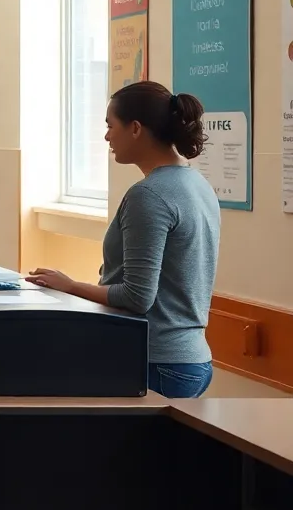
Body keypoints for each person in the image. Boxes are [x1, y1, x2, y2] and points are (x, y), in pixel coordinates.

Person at [27, 81, 219, 399]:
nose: (106, 137)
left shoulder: (149, 194)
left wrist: (70, 285)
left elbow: (137, 297)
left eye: (110, 126)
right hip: (191, 360)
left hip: (154, 361)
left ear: (135, 128)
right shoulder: (197, 184)